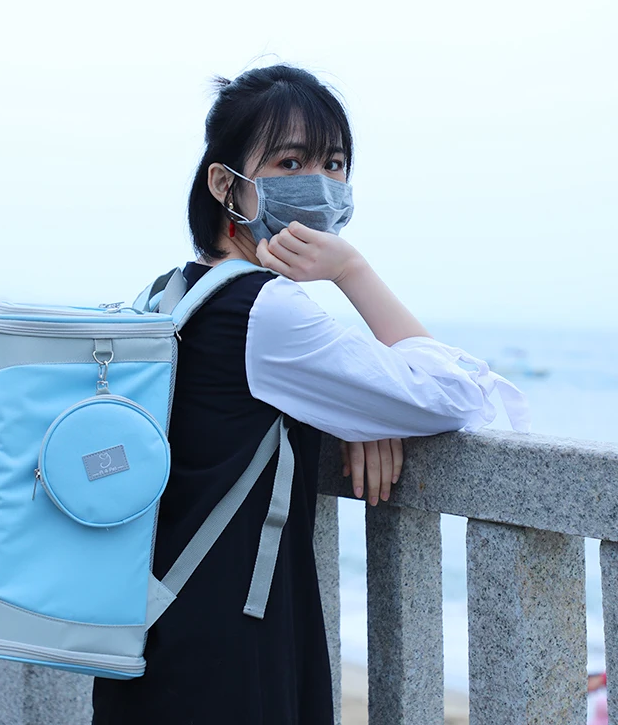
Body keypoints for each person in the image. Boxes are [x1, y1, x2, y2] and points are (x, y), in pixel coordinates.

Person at [97, 64, 529, 725]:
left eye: (334, 164)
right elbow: (456, 393)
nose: (321, 184)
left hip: (151, 628)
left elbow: (228, 413)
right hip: (229, 656)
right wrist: (352, 270)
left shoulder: (169, 296)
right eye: (291, 162)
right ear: (225, 185)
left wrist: (355, 413)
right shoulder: (266, 311)